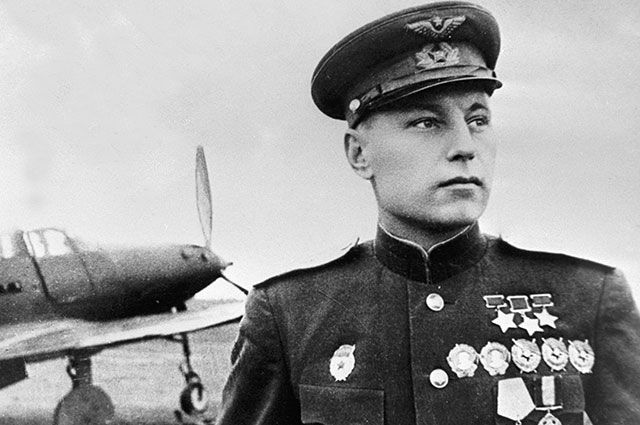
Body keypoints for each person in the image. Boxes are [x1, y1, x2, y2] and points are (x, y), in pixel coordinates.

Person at [215, 2, 640, 424]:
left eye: (478, 120)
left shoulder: (588, 297)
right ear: (359, 154)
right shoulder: (291, 313)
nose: (465, 147)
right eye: (426, 123)